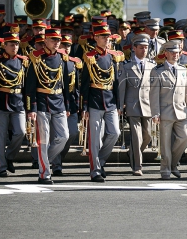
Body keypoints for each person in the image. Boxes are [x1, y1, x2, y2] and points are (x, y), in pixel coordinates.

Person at [25, 28, 73, 184]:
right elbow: (30, 86)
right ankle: (44, 173)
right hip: (42, 101)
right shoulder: (36, 58)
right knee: (43, 140)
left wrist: (67, 106)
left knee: (64, 136)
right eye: (53, 40)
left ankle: (43, 160)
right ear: (45, 41)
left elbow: (65, 84)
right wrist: (31, 108)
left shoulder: (62, 58)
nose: (57, 42)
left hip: (58, 101)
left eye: (58, 40)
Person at [80, 26, 122, 182]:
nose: (106, 39)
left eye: (108, 37)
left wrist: (118, 104)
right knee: (95, 139)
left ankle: (101, 161)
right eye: (103, 36)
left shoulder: (113, 57)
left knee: (115, 132)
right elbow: (84, 84)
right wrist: (84, 107)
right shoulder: (90, 57)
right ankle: (95, 170)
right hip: (95, 101)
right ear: (95, 38)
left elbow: (116, 82)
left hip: (110, 100)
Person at [0, 29, 29, 177]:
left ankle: (9, 156)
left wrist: (29, 106)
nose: (14, 47)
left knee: (20, 132)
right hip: (1, 101)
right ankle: (2, 167)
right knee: (1, 136)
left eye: (16, 44)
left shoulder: (23, 61)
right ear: (4, 45)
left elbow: (26, 86)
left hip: (18, 101)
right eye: (11, 44)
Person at [150, 40, 187, 180]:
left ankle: (173, 164)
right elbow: (153, 94)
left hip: (181, 110)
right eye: (172, 52)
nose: (175, 55)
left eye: (177, 53)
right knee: (165, 143)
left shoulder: (182, 69)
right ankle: (165, 169)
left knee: (185, 137)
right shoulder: (157, 71)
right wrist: (155, 113)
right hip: (165, 111)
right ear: (166, 53)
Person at [118, 34, 157, 176]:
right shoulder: (126, 65)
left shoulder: (153, 66)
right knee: (137, 137)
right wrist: (120, 105)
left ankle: (133, 152)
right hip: (132, 105)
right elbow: (122, 87)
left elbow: (154, 88)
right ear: (134, 48)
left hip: (148, 105)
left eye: (146, 48)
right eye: (141, 48)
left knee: (147, 136)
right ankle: (137, 166)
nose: (144, 50)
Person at [50, 34, 83, 176]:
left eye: (68, 46)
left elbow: (76, 87)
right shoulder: (54, 61)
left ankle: (58, 158)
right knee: (57, 135)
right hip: (57, 102)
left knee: (72, 133)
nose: (66, 48)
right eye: (63, 45)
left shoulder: (73, 63)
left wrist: (79, 105)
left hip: (72, 104)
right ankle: (56, 164)